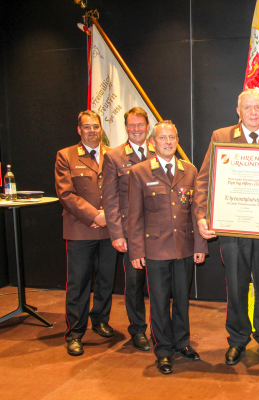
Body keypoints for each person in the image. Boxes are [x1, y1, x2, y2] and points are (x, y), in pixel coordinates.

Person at [194, 88, 259, 365]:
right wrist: (201, 215)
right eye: (248, 108)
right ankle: (238, 339)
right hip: (232, 227)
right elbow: (205, 180)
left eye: (258, 108)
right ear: (238, 111)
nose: (253, 113)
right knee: (237, 286)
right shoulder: (221, 137)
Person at [127, 120, 206, 374]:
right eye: (163, 138)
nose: (168, 142)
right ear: (153, 142)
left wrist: (200, 245)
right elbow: (135, 216)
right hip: (155, 250)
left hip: (183, 247)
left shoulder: (190, 171)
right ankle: (163, 350)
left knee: (182, 299)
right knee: (160, 302)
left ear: (177, 140)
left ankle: (182, 343)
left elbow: (197, 212)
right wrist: (136, 251)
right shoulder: (140, 172)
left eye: (172, 137)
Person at [55, 110, 118, 356]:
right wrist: (95, 216)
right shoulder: (66, 155)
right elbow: (66, 194)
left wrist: (108, 219)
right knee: (78, 284)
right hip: (81, 229)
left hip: (109, 232)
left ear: (101, 129)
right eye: (87, 127)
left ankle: (100, 319)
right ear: (79, 130)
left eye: (96, 126)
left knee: (105, 280)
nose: (92, 131)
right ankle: (75, 332)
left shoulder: (111, 156)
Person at [102, 107, 155, 352]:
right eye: (131, 125)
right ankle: (137, 330)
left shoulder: (159, 152)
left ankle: (160, 328)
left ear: (147, 126)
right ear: (126, 128)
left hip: (158, 232)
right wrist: (116, 234)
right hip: (130, 233)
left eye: (140, 124)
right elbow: (110, 199)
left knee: (159, 284)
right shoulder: (113, 156)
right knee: (134, 284)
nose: (136, 129)